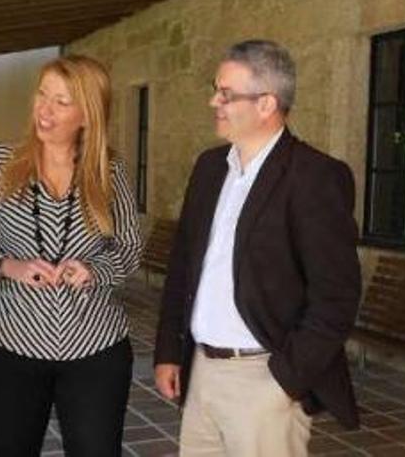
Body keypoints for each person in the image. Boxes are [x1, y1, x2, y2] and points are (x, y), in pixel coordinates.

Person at [153, 40, 363, 456]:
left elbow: (336, 297)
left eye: (226, 94)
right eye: (216, 89)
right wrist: (168, 351)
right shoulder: (210, 168)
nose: (214, 101)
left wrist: (285, 380)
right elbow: (183, 268)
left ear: (267, 104)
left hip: (264, 378)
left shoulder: (315, 176)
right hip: (202, 373)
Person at [0, 55, 143, 456]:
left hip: (95, 346)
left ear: (88, 115)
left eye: (61, 101)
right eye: (42, 95)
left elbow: (129, 248)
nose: (44, 109)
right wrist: (8, 265)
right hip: (10, 344)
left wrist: (94, 270)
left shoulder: (112, 170)